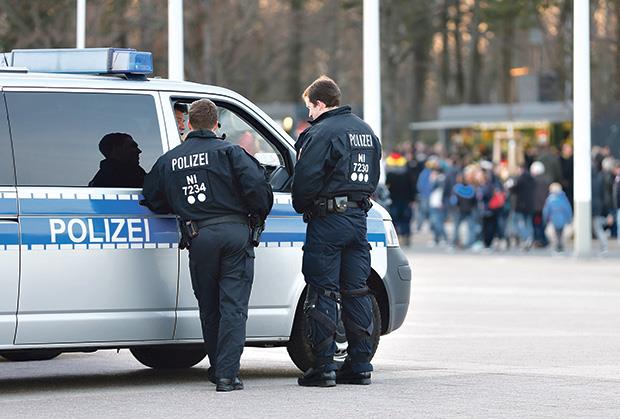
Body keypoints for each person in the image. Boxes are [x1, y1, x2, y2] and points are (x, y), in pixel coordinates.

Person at [141, 99, 273, 392]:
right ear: (216, 124)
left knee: (209, 306)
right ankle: (227, 374)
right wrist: (254, 215)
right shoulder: (231, 152)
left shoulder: (170, 159)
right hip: (236, 234)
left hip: (199, 236)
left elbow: (152, 197)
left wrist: (181, 204)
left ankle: (217, 368)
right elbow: (259, 191)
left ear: (189, 124)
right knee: (233, 306)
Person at [292, 76, 381, 387]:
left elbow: (305, 181)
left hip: (328, 221)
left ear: (320, 103)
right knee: (356, 290)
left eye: (309, 107)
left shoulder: (320, 133)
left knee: (323, 291)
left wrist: (303, 205)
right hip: (358, 219)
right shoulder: (366, 131)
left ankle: (324, 366)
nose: (309, 113)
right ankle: (360, 365)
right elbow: (374, 177)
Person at [542, 183, 573, 253]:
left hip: (554, 219)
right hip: (563, 219)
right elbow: (568, 210)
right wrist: (569, 219)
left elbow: (546, 211)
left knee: (555, 233)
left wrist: (545, 219)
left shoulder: (550, 199)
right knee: (561, 233)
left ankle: (557, 246)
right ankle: (560, 246)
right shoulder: (564, 198)